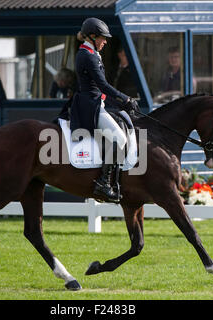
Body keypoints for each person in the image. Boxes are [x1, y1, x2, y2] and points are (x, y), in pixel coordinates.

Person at [70, 17, 138, 203]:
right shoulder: (87, 56)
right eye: (102, 38)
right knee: (119, 139)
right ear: (92, 36)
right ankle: (103, 183)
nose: (105, 41)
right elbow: (103, 85)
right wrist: (125, 98)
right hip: (90, 106)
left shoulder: (90, 52)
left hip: (97, 102)